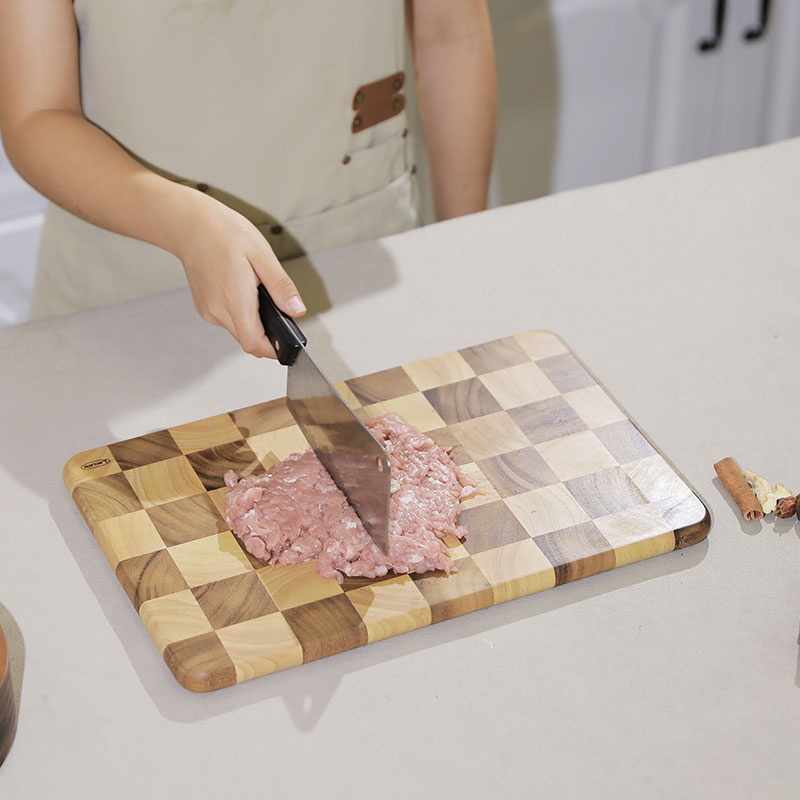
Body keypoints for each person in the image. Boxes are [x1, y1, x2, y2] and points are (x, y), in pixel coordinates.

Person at [0, 1, 496, 358]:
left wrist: (463, 249)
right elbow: (36, 116)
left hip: (363, 263)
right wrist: (183, 222)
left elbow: (452, 36)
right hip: (127, 302)